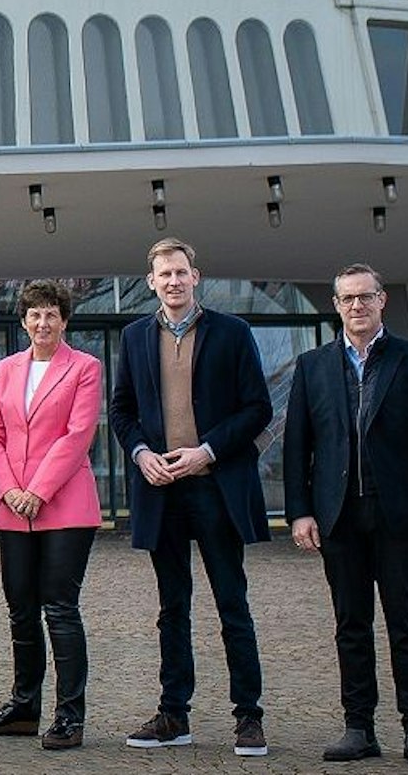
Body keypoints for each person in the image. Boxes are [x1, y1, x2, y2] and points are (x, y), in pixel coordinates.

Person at [286, 263, 408, 769]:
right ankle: (358, 727)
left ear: (382, 300)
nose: (356, 306)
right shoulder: (312, 366)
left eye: (365, 297)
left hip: (401, 517)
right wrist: (299, 513)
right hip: (339, 518)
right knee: (351, 625)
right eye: (347, 299)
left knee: (407, 624)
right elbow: (298, 448)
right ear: (336, 305)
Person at [108, 237, 272, 756]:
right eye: (164, 275)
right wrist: (139, 453)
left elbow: (257, 409)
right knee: (171, 607)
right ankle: (173, 714)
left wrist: (208, 451)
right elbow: (121, 409)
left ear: (195, 277)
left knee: (232, 604)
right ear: (151, 282)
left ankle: (249, 717)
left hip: (216, 488)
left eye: (181, 273)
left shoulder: (233, 333)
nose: (173, 282)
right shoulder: (135, 337)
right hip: (162, 491)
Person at [0, 280, 103, 750]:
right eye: (34, 315)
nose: (43, 323)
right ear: (23, 321)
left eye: (51, 314)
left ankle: (70, 715)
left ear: (64, 320)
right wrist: (11, 490)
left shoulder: (84, 367)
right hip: (14, 509)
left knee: (60, 608)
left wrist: (37, 491)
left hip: (66, 506)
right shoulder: (6, 369)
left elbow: (77, 435)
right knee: (20, 609)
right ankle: (24, 706)